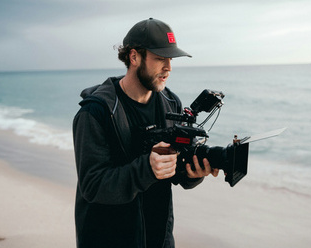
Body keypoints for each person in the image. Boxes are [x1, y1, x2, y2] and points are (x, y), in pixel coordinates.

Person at [73, 18, 218, 248]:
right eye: (160, 58)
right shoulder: (95, 113)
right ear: (134, 57)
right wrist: (147, 168)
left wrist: (193, 173)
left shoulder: (171, 104)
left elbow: (175, 172)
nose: (168, 68)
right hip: (106, 238)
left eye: (170, 59)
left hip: (158, 238)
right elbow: (92, 186)